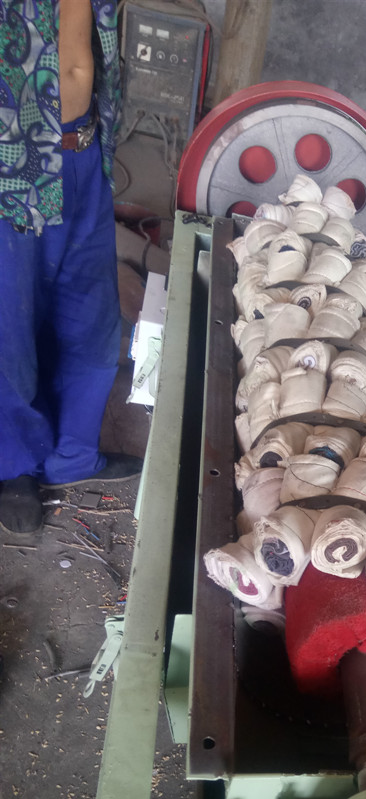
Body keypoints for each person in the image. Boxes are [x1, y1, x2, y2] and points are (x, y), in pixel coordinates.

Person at [0, 0, 142, 536]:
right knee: (11, 331)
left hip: (84, 149)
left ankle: (73, 456)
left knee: (93, 323)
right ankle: (16, 465)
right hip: (12, 167)